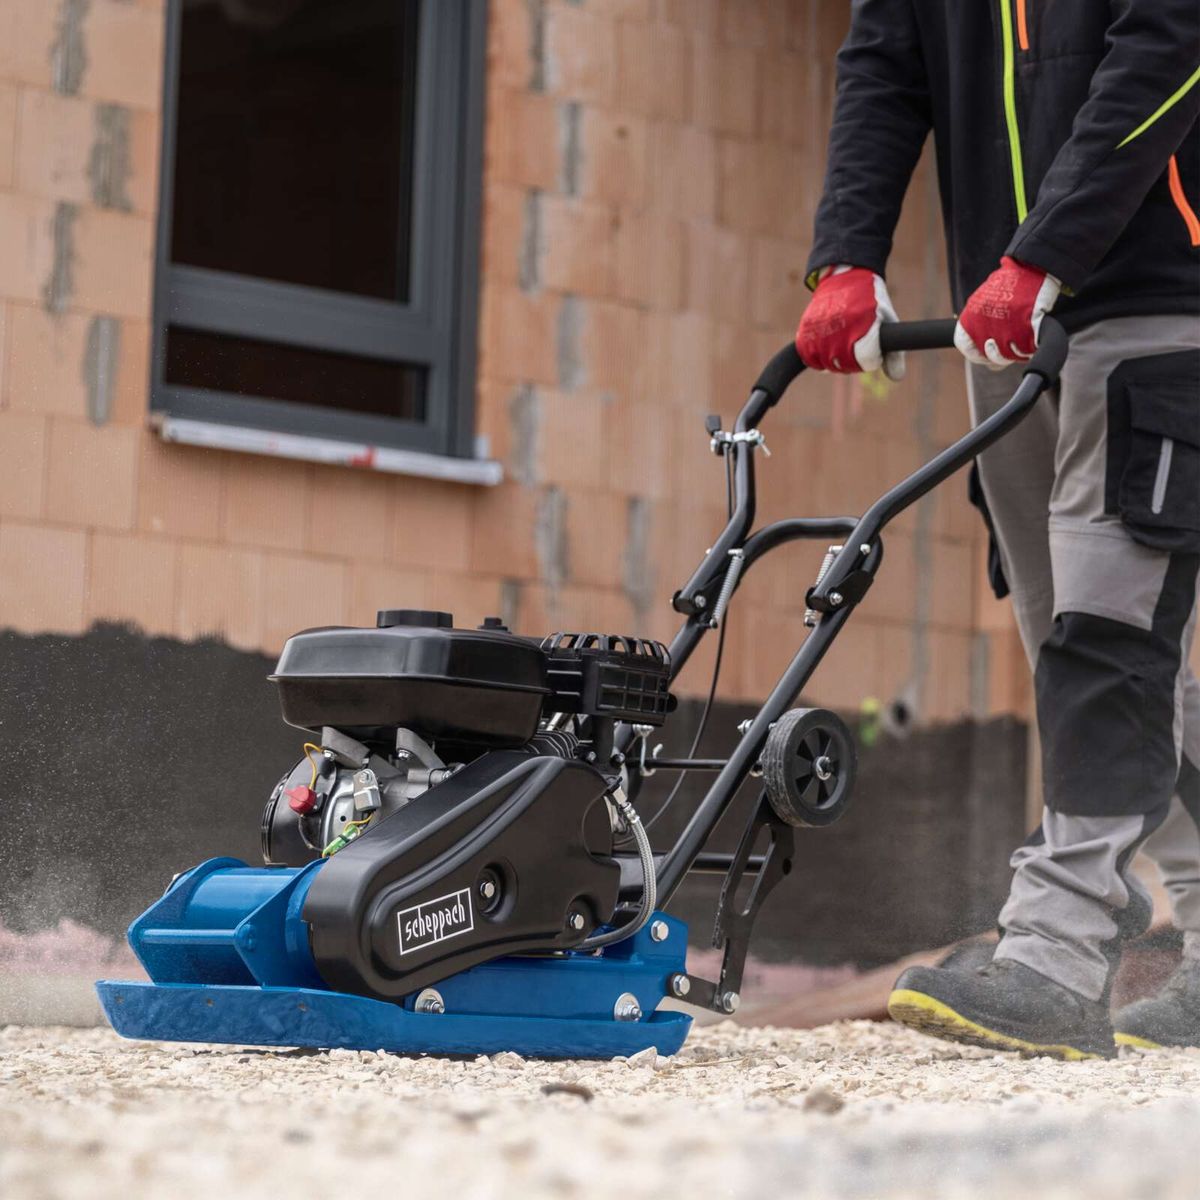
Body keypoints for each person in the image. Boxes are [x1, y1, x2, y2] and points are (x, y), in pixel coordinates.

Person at [796, 0, 1200, 1059]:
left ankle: (1056, 960)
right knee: (1080, 657)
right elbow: (885, 65)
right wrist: (847, 255)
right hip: (1009, 326)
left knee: (1104, 641)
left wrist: (1048, 249)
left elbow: (1171, 39)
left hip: (1157, 302)